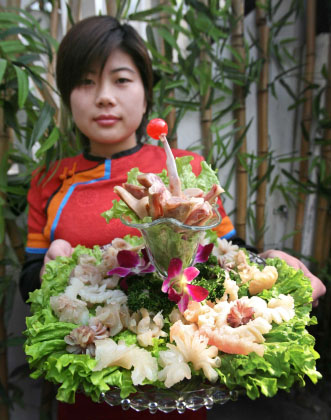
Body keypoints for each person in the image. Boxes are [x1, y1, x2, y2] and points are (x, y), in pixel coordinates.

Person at [19, 15, 326, 420]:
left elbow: (225, 252)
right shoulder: (49, 180)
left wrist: (270, 259)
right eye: (86, 82)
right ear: (67, 95)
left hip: (180, 388)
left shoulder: (186, 171)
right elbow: (30, 278)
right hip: (89, 388)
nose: (105, 97)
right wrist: (47, 267)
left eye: (122, 79)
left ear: (146, 93)